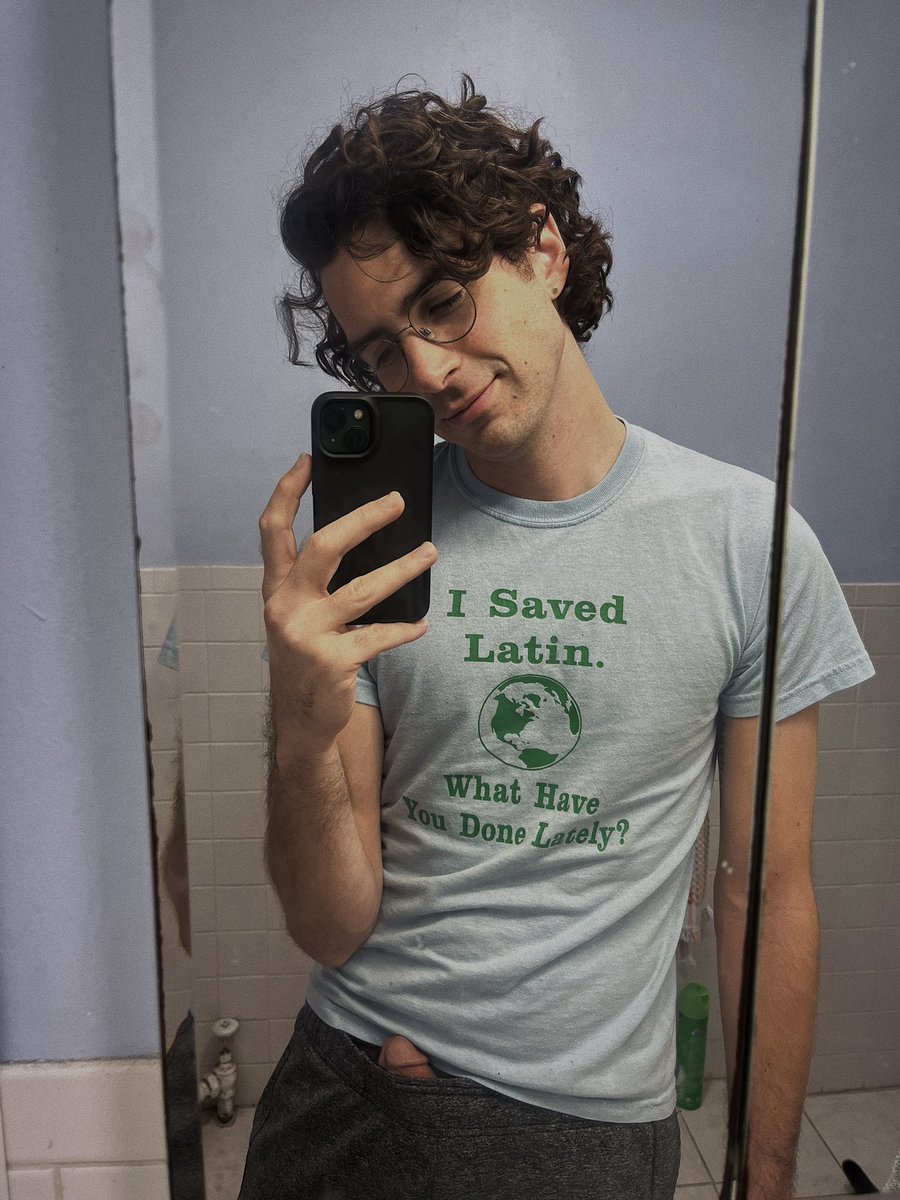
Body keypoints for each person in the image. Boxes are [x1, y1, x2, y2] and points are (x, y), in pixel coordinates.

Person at [239, 76, 873, 1200]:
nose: (427, 372)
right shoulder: (375, 550)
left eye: (444, 302)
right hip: (336, 1094)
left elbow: (767, 892)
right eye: (382, 352)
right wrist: (298, 721)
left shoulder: (746, 539)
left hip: (576, 1131)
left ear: (543, 251)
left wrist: (764, 1175)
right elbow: (331, 927)